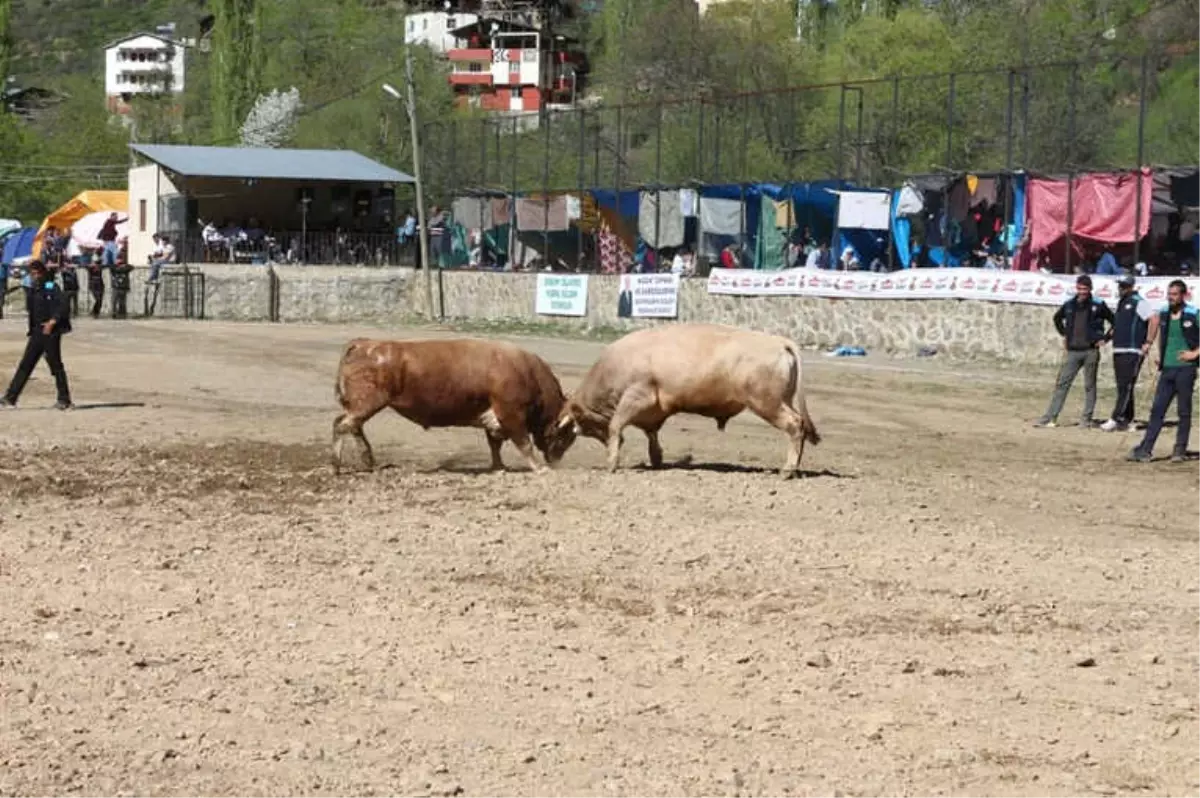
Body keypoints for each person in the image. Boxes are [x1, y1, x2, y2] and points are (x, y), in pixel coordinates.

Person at [1127, 279, 1200, 463]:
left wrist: (1194, 354)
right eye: (1169, 294)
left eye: (1175, 294)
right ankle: (1146, 449)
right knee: (1157, 410)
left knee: (1184, 411)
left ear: (1183, 295)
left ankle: (1179, 450)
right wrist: (1156, 350)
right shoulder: (1165, 313)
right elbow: (1159, 331)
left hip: (1186, 370)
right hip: (1167, 369)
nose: (1171, 298)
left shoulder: (1193, 313)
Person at [1034, 274, 1115, 428]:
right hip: (1073, 351)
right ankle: (1050, 417)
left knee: (1089, 385)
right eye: (1079, 288)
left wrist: (1105, 338)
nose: (1082, 292)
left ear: (1090, 289)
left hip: (1091, 350)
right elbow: (1057, 318)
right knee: (1062, 384)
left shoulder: (1098, 304)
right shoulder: (1069, 304)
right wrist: (1065, 334)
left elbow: (1115, 321)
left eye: (1085, 289)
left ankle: (1086, 419)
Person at [0, 260, 73, 410]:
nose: (34, 276)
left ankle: (64, 400)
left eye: (37, 273)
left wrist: (52, 322)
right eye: (32, 273)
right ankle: (10, 397)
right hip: (37, 332)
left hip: (50, 332)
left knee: (56, 366)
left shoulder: (50, 286)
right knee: (26, 364)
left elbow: (62, 305)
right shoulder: (34, 288)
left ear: (42, 272)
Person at [1100, 274, 1157, 431]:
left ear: (1131, 287)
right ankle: (1127, 420)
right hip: (1119, 348)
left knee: (1126, 384)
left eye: (1124, 286)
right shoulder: (1121, 303)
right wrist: (1106, 338)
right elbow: (1117, 325)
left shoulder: (1138, 302)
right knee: (1123, 386)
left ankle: (1115, 417)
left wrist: (1148, 342)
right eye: (1120, 285)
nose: (1121, 288)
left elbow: (1154, 319)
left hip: (1132, 349)